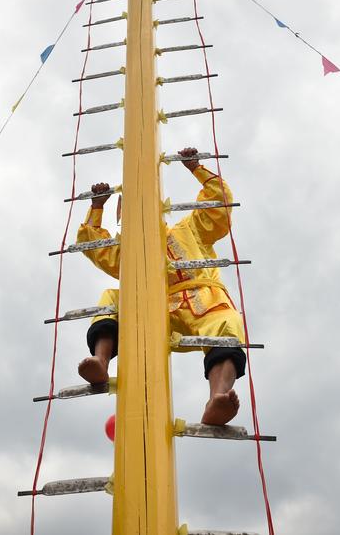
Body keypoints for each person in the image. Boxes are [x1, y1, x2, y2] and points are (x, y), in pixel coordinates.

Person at [76, 147, 246, 426]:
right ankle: (101, 361)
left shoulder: (189, 229)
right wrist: (97, 207)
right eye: (127, 211)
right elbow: (94, 247)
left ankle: (218, 397)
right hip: (152, 309)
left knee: (227, 321)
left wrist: (196, 167)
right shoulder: (128, 250)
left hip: (203, 302)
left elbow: (219, 206)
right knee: (111, 297)